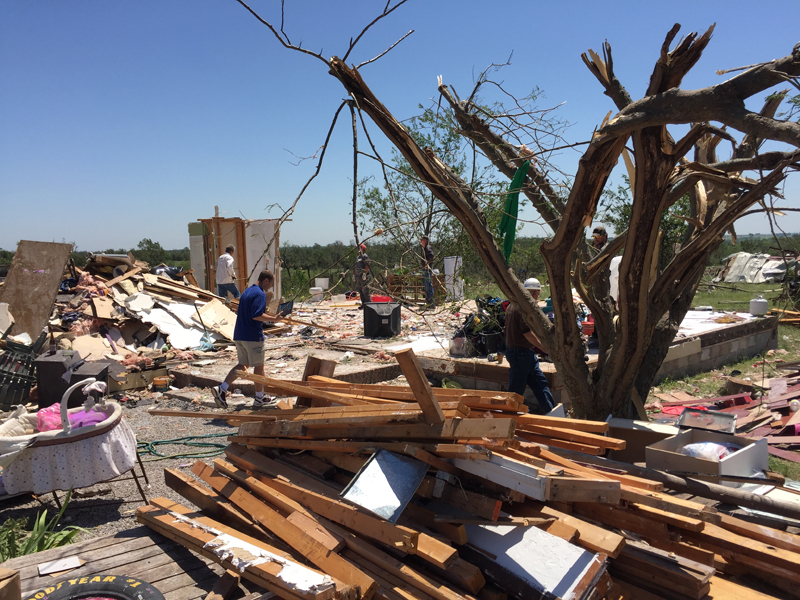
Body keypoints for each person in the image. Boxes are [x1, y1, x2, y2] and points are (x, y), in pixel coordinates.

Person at [212, 270, 276, 409]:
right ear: (266, 280)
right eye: (271, 283)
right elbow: (257, 315)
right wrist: (274, 318)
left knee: (243, 365)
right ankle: (259, 397)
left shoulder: (247, 291)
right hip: (252, 336)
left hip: (239, 335)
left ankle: (222, 388)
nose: (271, 286)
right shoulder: (260, 294)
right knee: (259, 367)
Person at [504, 277, 555, 414]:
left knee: (540, 383)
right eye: (538, 294)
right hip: (520, 354)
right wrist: (545, 349)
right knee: (516, 390)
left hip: (524, 353)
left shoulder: (513, 305)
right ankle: (508, 417)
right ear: (533, 294)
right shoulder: (522, 309)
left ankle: (552, 413)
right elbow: (527, 334)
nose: (538, 297)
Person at [354, 243, 371, 307]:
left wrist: (365, 273)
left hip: (364, 276)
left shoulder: (365, 256)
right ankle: (363, 304)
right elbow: (356, 266)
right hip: (358, 276)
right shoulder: (358, 257)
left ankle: (368, 304)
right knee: (360, 290)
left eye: (359, 248)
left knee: (365, 290)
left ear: (362, 249)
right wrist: (354, 274)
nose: (357, 249)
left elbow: (368, 264)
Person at [420, 236, 435, 308]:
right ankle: (429, 303)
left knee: (429, 286)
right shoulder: (425, 248)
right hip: (425, 269)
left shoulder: (428, 247)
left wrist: (427, 264)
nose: (421, 242)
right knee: (427, 286)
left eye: (422, 240)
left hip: (427, 269)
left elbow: (431, 256)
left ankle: (431, 303)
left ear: (425, 241)